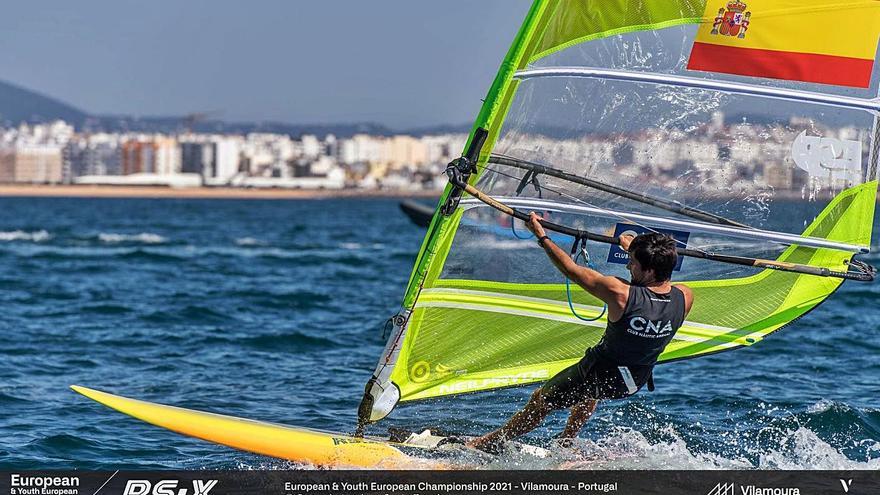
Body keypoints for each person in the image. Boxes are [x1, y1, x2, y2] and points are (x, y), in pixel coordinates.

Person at [468, 212, 694, 453]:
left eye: (633, 263)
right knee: (589, 392)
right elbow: (660, 287)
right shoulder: (685, 296)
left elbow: (571, 269)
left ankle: (489, 442)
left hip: (598, 373)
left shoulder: (620, 293)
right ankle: (567, 440)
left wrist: (541, 235)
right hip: (633, 381)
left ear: (649, 271)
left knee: (540, 401)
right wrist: (635, 249)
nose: (628, 265)